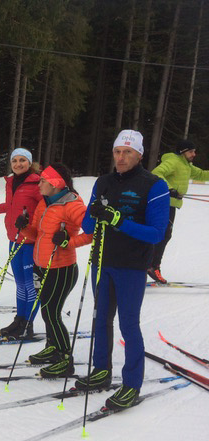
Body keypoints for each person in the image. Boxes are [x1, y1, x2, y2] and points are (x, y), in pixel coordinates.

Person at [75, 129, 169, 411]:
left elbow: (155, 233)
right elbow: (88, 227)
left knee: (128, 324)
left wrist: (117, 220)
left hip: (131, 266)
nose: (121, 157)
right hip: (102, 262)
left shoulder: (154, 185)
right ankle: (102, 369)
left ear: (139, 155)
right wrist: (93, 214)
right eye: (118, 151)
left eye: (128, 152)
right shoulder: (103, 182)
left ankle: (131, 384)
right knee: (100, 318)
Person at [16, 163, 92, 378]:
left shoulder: (73, 205)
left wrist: (69, 241)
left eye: (43, 181)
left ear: (56, 184)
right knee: (47, 311)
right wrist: (24, 227)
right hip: (42, 266)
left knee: (51, 312)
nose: (38, 184)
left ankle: (65, 359)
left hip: (62, 268)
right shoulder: (44, 203)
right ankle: (53, 347)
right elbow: (38, 235)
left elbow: (93, 232)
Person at [0, 148, 42, 339]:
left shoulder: (37, 183)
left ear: (30, 162)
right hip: (14, 238)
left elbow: (46, 211)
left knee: (30, 284)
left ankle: (28, 323)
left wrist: (30, 224)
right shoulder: (11, 182)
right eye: (15, 160)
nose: (18, 164)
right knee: (20, 284)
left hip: (31, 241)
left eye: (22, 160)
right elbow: (11, 206)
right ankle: (19, 320)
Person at [148, 139, 209, 283]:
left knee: (164, 234)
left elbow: (201, 175)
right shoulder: (174, 161)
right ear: (183, 152)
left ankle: (149, 265)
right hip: (164, 203)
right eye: (191, 151)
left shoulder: (186, 165)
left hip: (171, 204)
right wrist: (169, 189)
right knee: (164, 235)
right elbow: (156, 173)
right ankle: (152, 266)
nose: (194, 154)